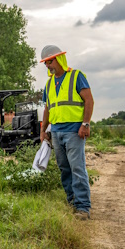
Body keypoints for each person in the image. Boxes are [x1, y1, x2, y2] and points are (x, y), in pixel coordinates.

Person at [39, 45, 93, 220]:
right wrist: (43, 130)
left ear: (59, 59)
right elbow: (48, 108)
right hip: (56, 132)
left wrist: (85, 124)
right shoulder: (49, 84)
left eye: (50, 61)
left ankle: (83, 207)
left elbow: (89, 101)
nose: (48, 66)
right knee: (64, 169)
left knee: (77, 168)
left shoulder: (77, 76)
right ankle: (72, 202)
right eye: (45, 63)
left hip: (74, 132)